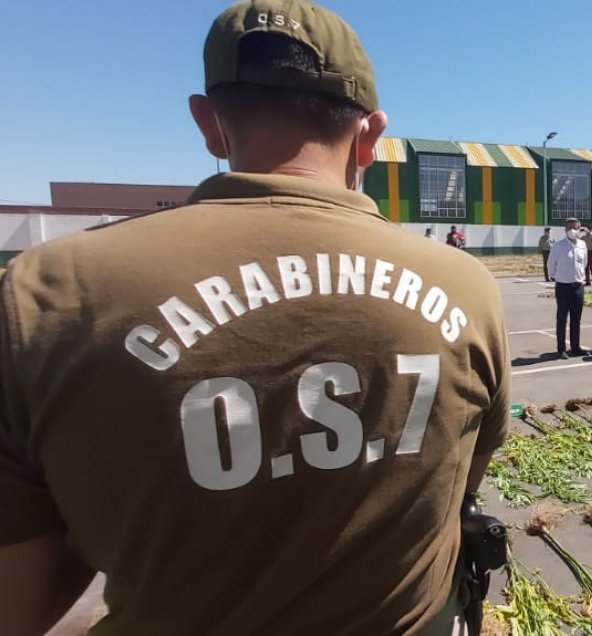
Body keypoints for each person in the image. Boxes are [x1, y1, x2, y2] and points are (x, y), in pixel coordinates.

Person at [0, 2, 510, 634]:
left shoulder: (52, 291)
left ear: (209, 123)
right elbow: (457, 480)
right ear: (371, 135)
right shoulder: (463, 287)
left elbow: (20, 594)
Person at [546, 217, 588, 358]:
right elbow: (551, 264)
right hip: (563, 287)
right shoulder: (559, 246)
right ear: (565, 230)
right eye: (570, 228)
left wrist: (580, 278)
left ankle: (575, 347)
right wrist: (554, 276)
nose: (573, 230)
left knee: (576, 319)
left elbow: (584, 263)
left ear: (580, 228)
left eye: (575, 227)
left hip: (578, 286)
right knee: (562, 318)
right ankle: (561, 348)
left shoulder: (582, 245)